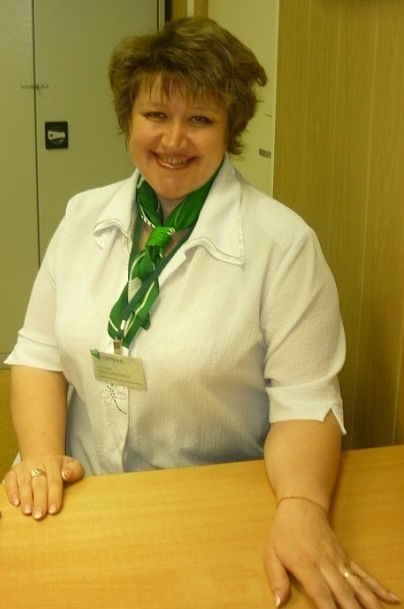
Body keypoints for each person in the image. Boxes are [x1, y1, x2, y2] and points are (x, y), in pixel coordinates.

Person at [3, 17, 399, 609]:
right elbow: (38, 354)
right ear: (129, 118)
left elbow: (304, 401)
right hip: (82, 492)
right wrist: (39, 457)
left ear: (230, 127)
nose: (173, 140)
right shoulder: (83, 216)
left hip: (210, 499)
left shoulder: (283, 245)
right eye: (156, 114)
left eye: (200, 120)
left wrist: (302, 506)